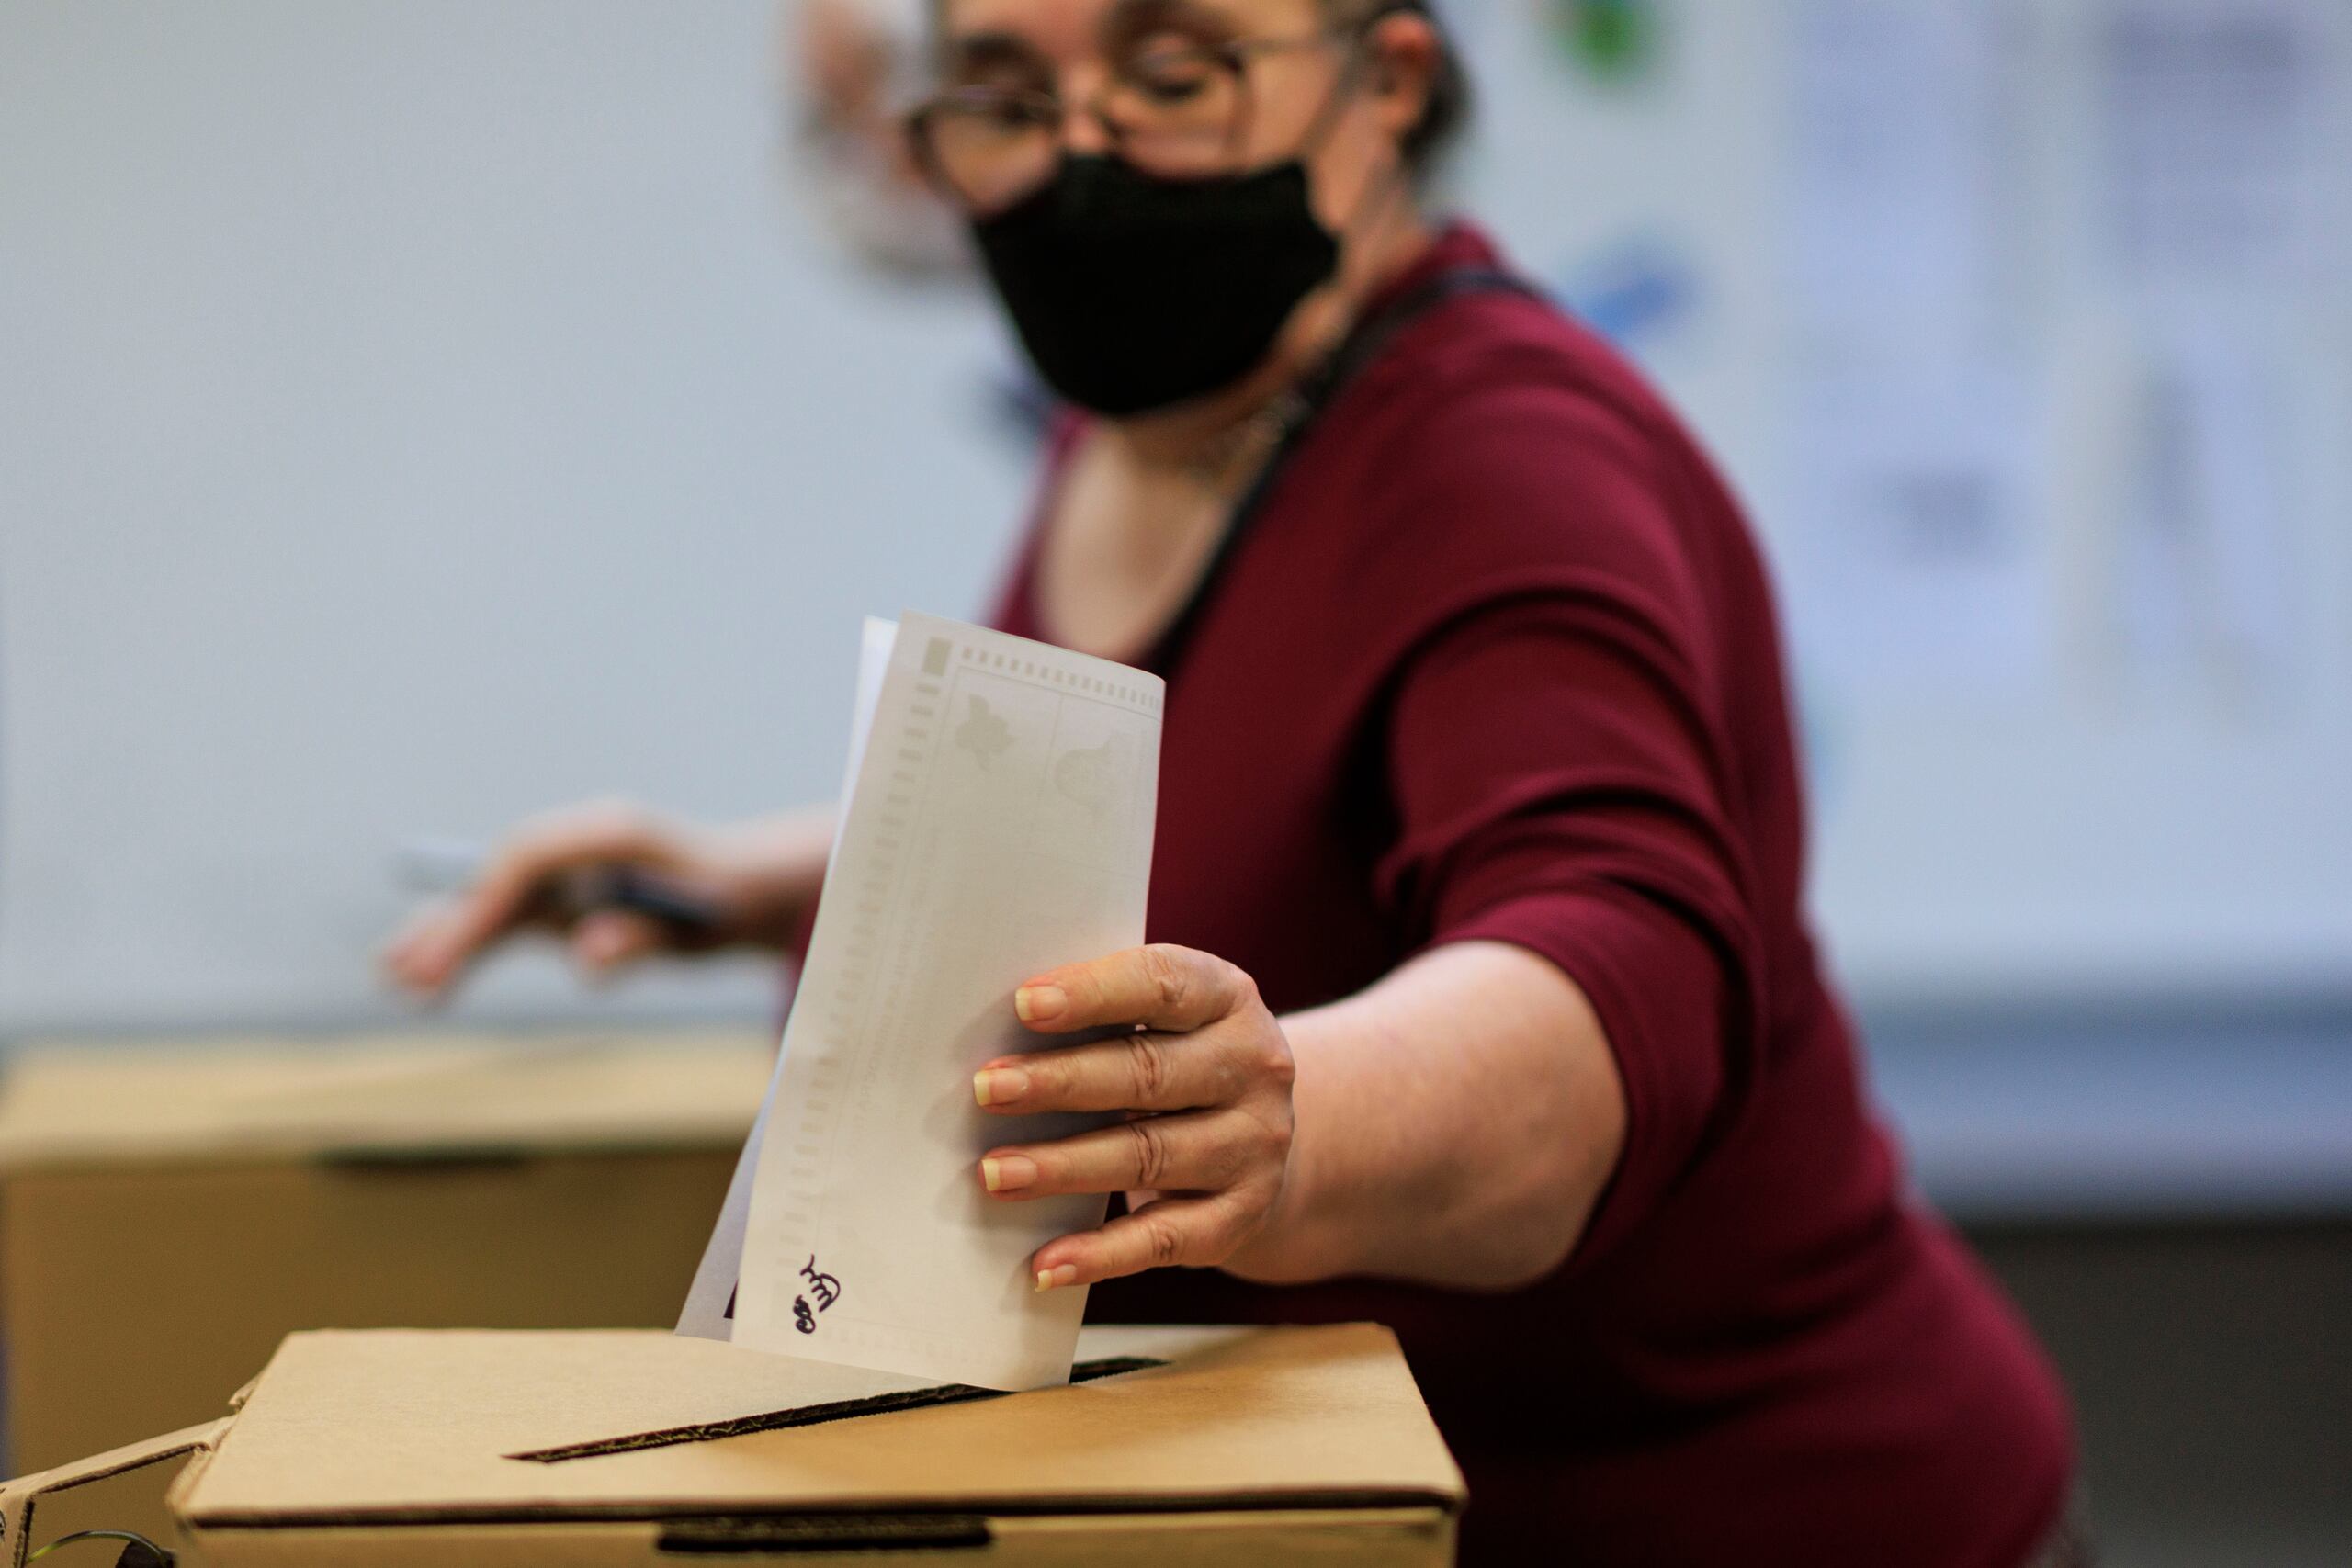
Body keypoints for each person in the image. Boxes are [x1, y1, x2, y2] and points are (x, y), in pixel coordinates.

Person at [386, 0, 2080, 1560]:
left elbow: (1608, 971)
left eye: (1175, 76)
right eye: (1008, 95)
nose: (1081, 159)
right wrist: (767, 878)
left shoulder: (1502, 459)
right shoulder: (1163, 418)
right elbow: (1229, 811)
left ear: (1386, 86)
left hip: (1765, 1515)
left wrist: (1289, 1127)